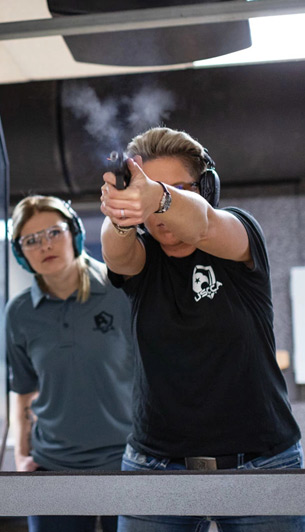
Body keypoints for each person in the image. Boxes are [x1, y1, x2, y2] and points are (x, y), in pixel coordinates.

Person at [99, 127, 303, 532]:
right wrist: (121, 216)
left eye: (176, 189)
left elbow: (203, 225)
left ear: (205, 188)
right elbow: (118, 255)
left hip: (262, 461)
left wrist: (155, 194)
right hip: (154, 464)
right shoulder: (144, 255)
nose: (161, 214)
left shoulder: (238, 231)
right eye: (150, 198)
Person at [7, 195, 135, 532]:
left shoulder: (120, 289)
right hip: (52, 467)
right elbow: (24, 389)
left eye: (54, 232)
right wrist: (22, 455)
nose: (44, 245)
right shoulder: (19, 313)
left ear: (74, 233)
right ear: (21, 253)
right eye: (31, 240)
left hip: (126, 461)